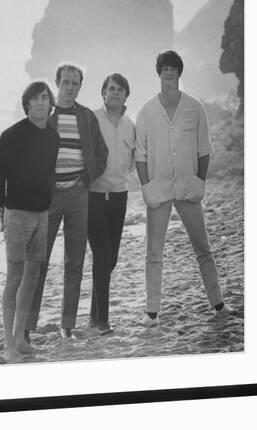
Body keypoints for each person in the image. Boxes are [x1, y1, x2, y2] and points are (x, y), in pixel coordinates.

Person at [135, 50, 238, 327]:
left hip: (188, 188)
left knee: (203, 248)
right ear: (159, 73)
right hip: (158, 191)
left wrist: (199, 181)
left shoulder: (195, 108)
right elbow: (140, 155)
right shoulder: (146, 111)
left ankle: (218, 304)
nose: (169, 72)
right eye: (164, 68)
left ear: (180, 72)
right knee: (153, 252)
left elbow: (205, 149)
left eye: (173, 68)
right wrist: (146, 187)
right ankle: (152, 312)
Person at [25, 63, 108, 340]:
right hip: (48, 196)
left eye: (75, 83)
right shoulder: (45, 116)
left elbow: (101, 152)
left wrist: (86, 177)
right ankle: (27, 326)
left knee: (75, 261)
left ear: (80, 86)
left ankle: (67, 326)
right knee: (38, 260)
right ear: (57, 84)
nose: (70, 87)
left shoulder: (86, 116)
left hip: (78, 194)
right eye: (66, 82)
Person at [0, 81, 59, 361]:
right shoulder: (11, 135)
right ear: (27, 103)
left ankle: (20, 339)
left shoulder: (53, 138)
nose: (40, 103)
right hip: (17, 215)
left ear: (49, 103)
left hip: (42, 215)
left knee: (32, 278)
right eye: (35, 99)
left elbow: (47, 174)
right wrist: (2, 209)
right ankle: (8, 344)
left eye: (44, 98)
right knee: (14, 277)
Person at [88, 73, 136, 335]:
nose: (115, 93)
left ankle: (94, 316)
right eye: (111, 89)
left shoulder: (131, 124)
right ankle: (103, 321)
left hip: (119, 196)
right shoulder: (92, 119)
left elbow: (132, 159)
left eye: (120, 89)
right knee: (102, 256)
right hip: (94, 197)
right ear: (103, 93)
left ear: (126, 95)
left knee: (111, 258)